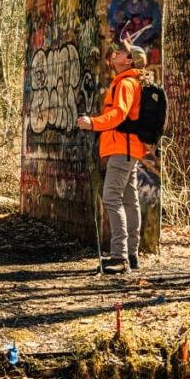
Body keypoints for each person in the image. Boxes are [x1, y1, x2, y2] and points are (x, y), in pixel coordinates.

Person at [77, 39, 149, 273]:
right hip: (129, 149)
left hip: (122, 149)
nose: (114, 53)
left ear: (128, 60)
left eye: (120, 52)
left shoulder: (126, 84)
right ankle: (131, 254)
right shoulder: (129, 82)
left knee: (111, 198)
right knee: (129, 200)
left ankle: (119, 257)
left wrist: (92, 123)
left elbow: (118, 115)